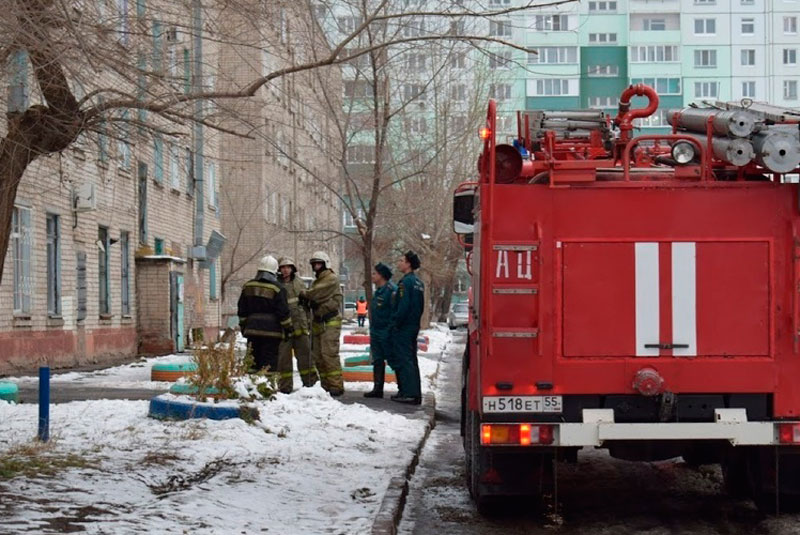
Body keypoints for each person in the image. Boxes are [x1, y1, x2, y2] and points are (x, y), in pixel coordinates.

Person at [299, 251, 345, 397]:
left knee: (329, 354)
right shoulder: (318, 280)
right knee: (318, 355)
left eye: (318, 263)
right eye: (314, 264)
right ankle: (326, 385)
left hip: (330, 321)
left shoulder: (330, 278)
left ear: (325, 264)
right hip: (318, 321)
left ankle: (336, 385)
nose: (316, 267)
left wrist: (304, 294)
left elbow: (314, 293)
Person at [237, 255, 293, 374]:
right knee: (269, 364)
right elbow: (283, 312)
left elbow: (242, 310)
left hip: (252, 331)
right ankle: (267, 388)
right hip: (272, 333)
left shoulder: (248, 286)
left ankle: (252, 388)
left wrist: (243, 326)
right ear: (274, 271)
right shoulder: (278, 288)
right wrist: (288, 328)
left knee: (252, 362)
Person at [276, 257, 318, 394]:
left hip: (301, 327)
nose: (285, 270)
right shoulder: (276, 285)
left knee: (306, 358)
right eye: (282, 267)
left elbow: (306, 306)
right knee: (283, 361)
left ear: (293, 268)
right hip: (283, 330)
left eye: (288, 267)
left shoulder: (299, 283)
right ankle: (285, 388)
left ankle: (311, 385)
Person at [390, 250, 425, 405]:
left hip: (403, 326)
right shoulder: (419, 283)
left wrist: (396, 322)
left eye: (401, 260)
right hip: (413, 325)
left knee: (404, 359)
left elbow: (403, 306)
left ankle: (408, 393)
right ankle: (414, 392)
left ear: (408, 264)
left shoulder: (406, 282)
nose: (399, 262)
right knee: (412, 359)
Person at [364, 263, 396, 398]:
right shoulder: (378, 290)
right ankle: (378, 388)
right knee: (377, 360)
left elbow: (394, 312)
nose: (372, 276)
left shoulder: (391, 290)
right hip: (376, 331)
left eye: (374, 274)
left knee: (394, 360)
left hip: (386, 331)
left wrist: (390, 330)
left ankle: (403, 388)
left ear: (381, 275)